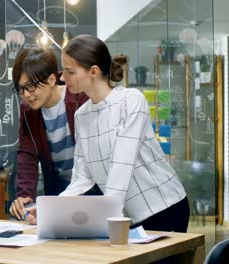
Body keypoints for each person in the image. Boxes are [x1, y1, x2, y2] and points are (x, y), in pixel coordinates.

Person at [25, 35, 189, 233]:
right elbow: (82, 178)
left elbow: (122, 165)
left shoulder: (131, 101)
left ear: (93, 71)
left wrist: (106, 218)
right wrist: (49, 210)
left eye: (69, 72)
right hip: (128, 216)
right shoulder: (81, 116)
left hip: (165, 207)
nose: (62, 78)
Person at [9, 48, 94, 220]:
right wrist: (25, 195)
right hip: (57, 188)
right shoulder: (27, 110)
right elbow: (27, 154)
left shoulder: (79, 97)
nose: (26, 95)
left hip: (91, 187)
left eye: (31, 87)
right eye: (20, 88)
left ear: (52, 79)